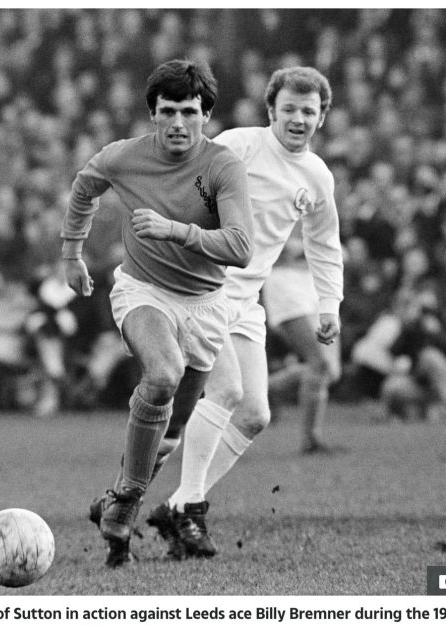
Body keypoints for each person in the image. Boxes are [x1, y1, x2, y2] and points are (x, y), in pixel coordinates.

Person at [60, 59, 254, 566]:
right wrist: (71, 253)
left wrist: (174, 230)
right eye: (167, 111)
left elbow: (239, 247)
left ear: (206, 114)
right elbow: (84, 187)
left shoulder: (222, 166)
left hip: (207, 307)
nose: (177, 123)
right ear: (152, 114)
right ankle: (125, 503)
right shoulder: (123, 158)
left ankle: (114, 499)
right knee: (162, 374)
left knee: (170, 432)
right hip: (143, 292)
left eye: (189, 112)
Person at [146, 66, 343, 559]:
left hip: (246, 300)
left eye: (308, 111)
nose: (298, 119)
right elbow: (185, 186)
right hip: (203, 289)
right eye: (290, 110)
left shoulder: (317, 176)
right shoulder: (240, 146)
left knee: (255, 414)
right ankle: (186, 507)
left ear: (322, 117)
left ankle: (171, 501)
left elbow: (323, 244)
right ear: (271, 110)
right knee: (228, 391)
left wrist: (329, 304)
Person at [263, 234, 342, 453]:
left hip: (316, 280)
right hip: (285, 279)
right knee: (319, 363)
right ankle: (311, 440)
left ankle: (262, 389)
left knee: (331, 372)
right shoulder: (264, 199)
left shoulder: (322, 200)